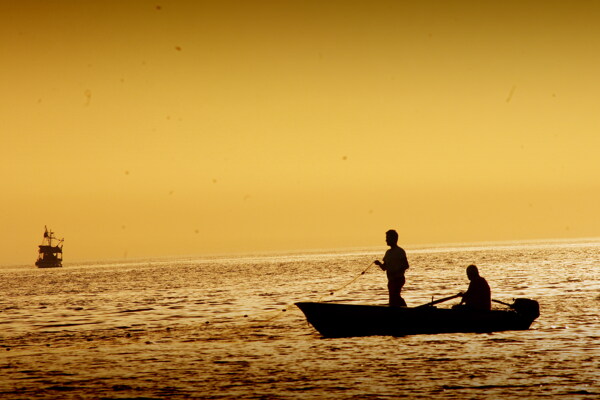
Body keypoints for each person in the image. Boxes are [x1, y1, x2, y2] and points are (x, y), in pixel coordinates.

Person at [374, 229, 409, 307]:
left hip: (398, 279)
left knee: (395, 297)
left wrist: (396, 272)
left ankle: (405, 308)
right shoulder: (388, 253)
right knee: (393, 299)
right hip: (391, 280)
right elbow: (384, 268)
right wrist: (379, 263)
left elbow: (406, 265)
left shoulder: (400, 251)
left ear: (393, 239)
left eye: (388, 238)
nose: (386, 240)